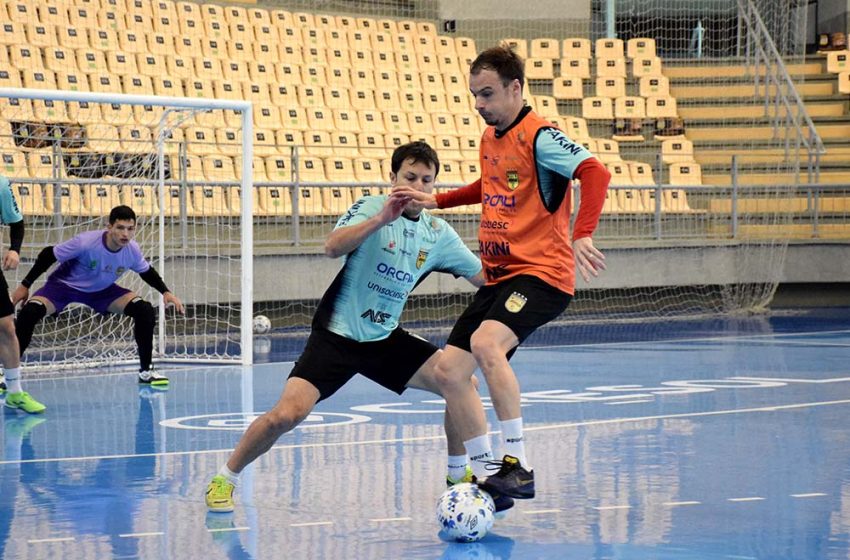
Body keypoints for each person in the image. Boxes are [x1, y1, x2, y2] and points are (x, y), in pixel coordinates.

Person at [205, 141, 514, 514]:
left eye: (426, 180)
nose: (416, 185)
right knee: (286, 415)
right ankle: (226, 476)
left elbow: (486, 278)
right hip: (335, 337)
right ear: (393, 178)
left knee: (461, 382)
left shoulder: (438, 234)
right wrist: (381, 219)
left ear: (434, 186)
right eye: (409, 177)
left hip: (384, 339)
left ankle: (456, 473)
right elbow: (332, 247)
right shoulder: (370, 208)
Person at [395, 46, 611, 501]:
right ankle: (482, 475)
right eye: (474, 95)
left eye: (488, 94)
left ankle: (519, 465)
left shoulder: (540, 137)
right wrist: (440, 200)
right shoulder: (491, 138)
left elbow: (595, 172)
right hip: (501, 277)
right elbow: (490, 186)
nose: (479, 104)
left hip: (542, 275)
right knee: (450, 373)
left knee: (485, 343)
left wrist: (582, 232)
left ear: (516, 88)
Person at [11, 205, 185, 386]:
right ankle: (8, 374)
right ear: (109, 227)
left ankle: (146, 372)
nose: (125, 234)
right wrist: (25, 285)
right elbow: (49, 254)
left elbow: (146, 271)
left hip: (102, 290)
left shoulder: (132, 250)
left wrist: (166, 291)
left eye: (130, 229)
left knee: (145, 310)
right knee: (29, 313)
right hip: (63, 287)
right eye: (120, 228)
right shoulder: (85, 242)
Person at [0, 174, 44, 413]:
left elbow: (16, 222)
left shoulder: (0, 184)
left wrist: (15, 250)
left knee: (6, 326)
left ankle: (14, 392)